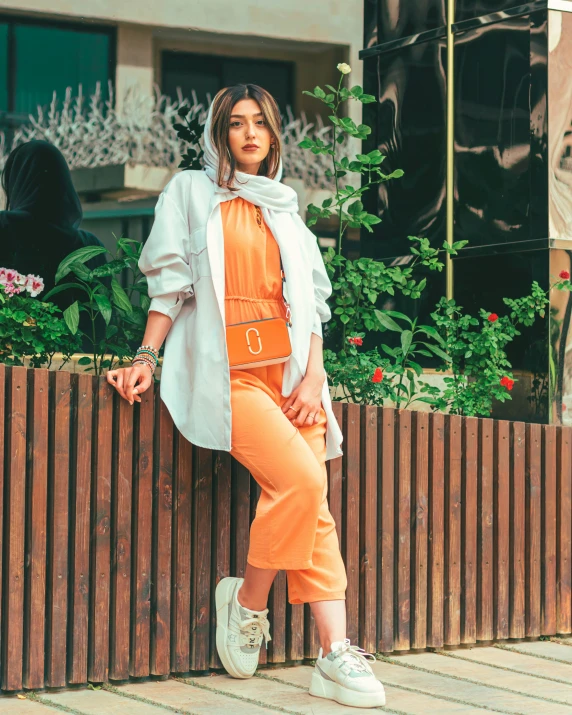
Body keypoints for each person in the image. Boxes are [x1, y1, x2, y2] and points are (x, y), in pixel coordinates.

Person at [106, 84, 386, 709]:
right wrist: (145, 357)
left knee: (315, 509)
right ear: (219, 134)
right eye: (236, 124)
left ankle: (333, 653)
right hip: (230, 375)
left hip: (291, 378)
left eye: (261, 123)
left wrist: (316, 378)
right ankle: (247, 603)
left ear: (274, 135)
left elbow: (313, 306)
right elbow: (170, 287)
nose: (250, 133)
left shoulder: (287, 208)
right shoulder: (190, 192)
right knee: (302, 485)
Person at [0, 140, 108, 352]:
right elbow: (102, 325)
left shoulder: (3, 228)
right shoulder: (90, 247)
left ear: (16, 183)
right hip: (79, 372)